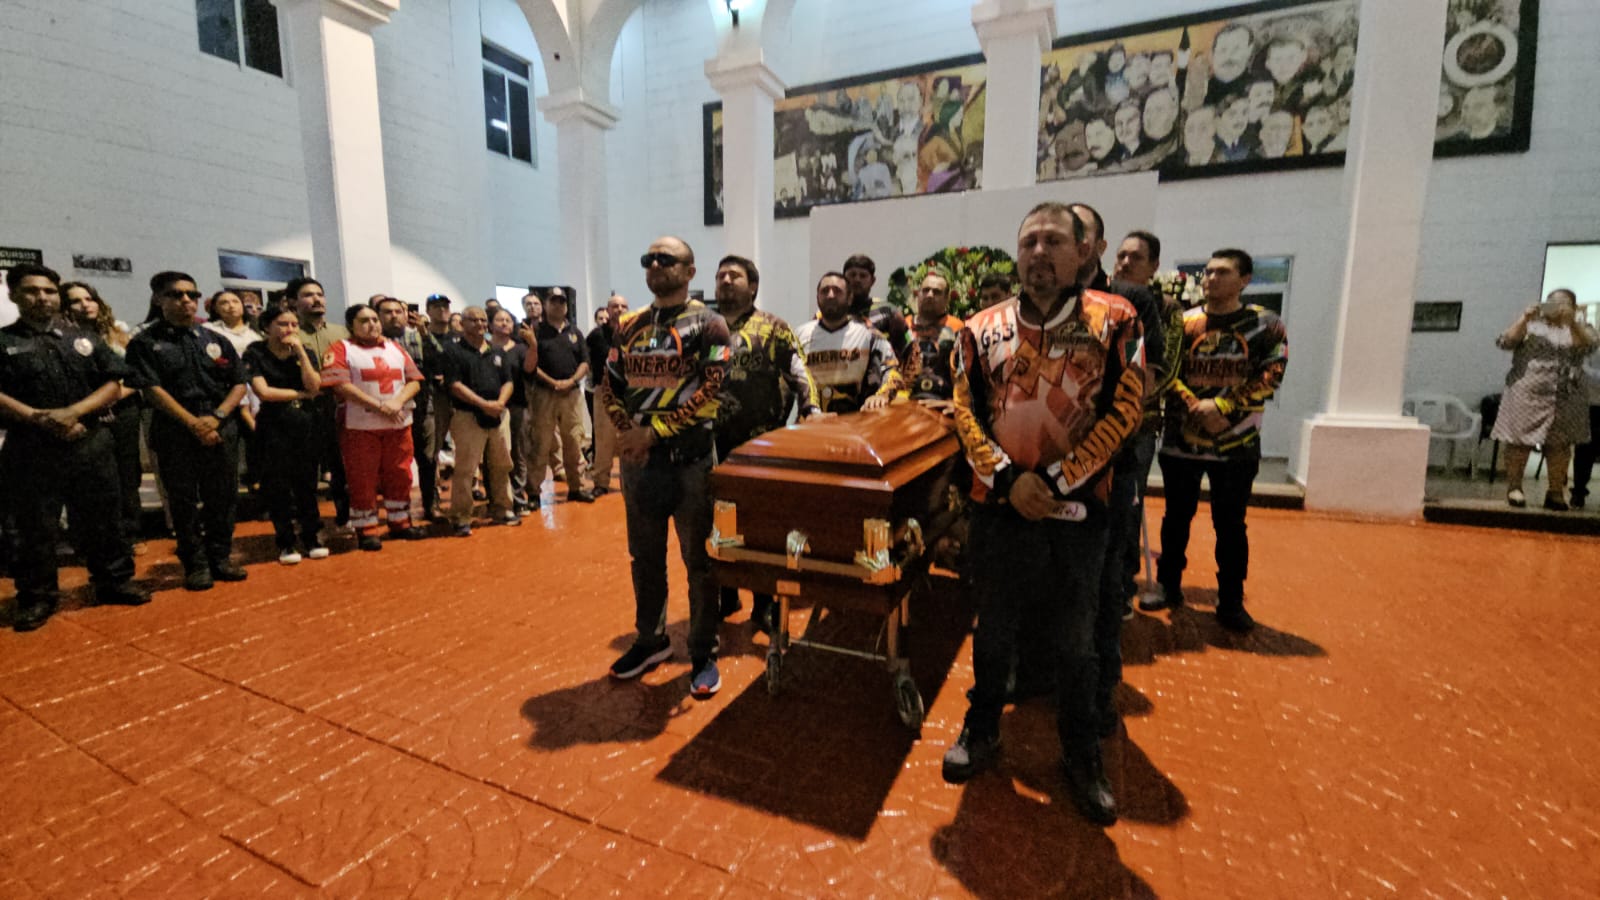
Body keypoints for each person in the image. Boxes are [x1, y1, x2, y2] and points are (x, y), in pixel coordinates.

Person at [941, 202, 1145, 832]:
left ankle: (1081, 753)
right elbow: (965, 409)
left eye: (1053, 241)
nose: (1038, 253)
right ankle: (982, 728)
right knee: (993, 629)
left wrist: (1055, 480)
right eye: (1028, 241)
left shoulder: (1116, 320)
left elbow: (1127, 409)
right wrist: (1007, 478)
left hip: (1080, 509)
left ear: (1083, 251)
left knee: (1076, 642)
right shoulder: (979, 328)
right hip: (1000, 506)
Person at [602, 236, 731, 698]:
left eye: (666, 259)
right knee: (645, 557)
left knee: (700, 561)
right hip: (640, 464)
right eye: (649, 259)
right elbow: (610, 384)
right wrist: (627, 433)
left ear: (690, 270)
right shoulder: (629, 325)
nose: (655, 264)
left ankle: (702, 651)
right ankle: (651, 640)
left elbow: (712, 388)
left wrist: (653, 433)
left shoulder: (710, 324)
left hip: (691, 462)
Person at [0, 264, 149, 631]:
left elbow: (114, 382)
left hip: (89, 441)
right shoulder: (4, 342)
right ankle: (37, 597)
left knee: (104, 519)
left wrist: (74, 413)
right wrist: (38, 418)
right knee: (34, 527)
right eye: (32, 290)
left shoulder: (82, 338)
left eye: (49, 291)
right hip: (30, 448)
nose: (42, 297)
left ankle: (113, 581)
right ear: (14, 295)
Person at [1148, 249, 1288, 633]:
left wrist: (1223, 406)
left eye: (1222, 272)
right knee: (1175, 519)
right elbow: (1165, 369)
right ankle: (1168, 587)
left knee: (1231, 525)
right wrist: (1195, 405)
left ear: (1245, 280)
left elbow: (1272, 372)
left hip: (1237, 443)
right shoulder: (1185, 322)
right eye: (1208, 273)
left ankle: (1230, 601)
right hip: (1182, 439)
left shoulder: (1266, 324)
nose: (1210, 279)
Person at [711, 254, 820, 627]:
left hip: (759, 446)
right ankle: (726, 595)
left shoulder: (773, 327)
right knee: (717, 523)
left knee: (760, 527)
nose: (726, 281)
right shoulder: (706, 328)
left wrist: (811, 409)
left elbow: (799, 370)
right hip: (710, 446)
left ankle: (764, 603)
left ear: (753, 286)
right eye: (721, 276)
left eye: (734, 275)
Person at [126, 270, 250, 591]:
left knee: (222, 497)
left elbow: (239, 382)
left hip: (221, 426)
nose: (186, 300)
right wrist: (194, 423)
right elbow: (151, 389)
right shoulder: (145, 343)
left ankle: (220, 557)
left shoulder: (214, 340)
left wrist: (217, 416)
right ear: (158, 299)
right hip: (176, 430)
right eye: (176, 294)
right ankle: (195, 564)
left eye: (191, 295)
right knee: (182, 501)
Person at [322, 303, 426, 549]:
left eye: (374, 319)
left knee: (400, 474)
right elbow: (340, 385)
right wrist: (379, 406)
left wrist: (397, 402)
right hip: (359, 427)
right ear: (351, 325)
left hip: (398, 424)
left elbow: (414, 380)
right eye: (364, 320)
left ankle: (401, 522)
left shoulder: (395, 348)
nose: (372, 324)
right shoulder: (341, 348)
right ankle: (367, 529)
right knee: (362, 478)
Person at [1489, 289, 1597, 510]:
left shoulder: (1582, 328)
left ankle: (1555, 493)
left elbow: (1589, 347)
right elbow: (1504, 342)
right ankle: (1515, 488)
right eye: (1552, 303)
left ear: (1574, 308)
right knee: (1519, 442)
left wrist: (1572, 323)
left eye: (1564, 304)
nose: (1558, 308)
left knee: (1561, 444)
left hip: (1567, 395)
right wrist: (1525, 317)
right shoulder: (1532, 326)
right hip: (1528, 393)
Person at [61, 281, 145, 552]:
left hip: (123, 408)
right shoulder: (59, 337)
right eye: (76, 300)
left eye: (89, 298)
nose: (85, 304)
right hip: (83, 412)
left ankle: (129, 534)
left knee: (126, 472)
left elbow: (137, 375)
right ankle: (86, 539)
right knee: (86, 475)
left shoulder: (117, 333)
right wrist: (91, 405)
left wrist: (112, 397)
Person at [243, 305, 327, 564]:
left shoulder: (305, 352)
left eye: (294, 324)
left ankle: (312, 537)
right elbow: (264, 392)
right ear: (266, 327)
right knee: (277, 486)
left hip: (305, 423)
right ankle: (286, 542)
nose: (290, 329)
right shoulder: (255, 352)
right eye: (282, 324)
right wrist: (301, 394)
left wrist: (300, 351)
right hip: (273, 425)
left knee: (307, 484)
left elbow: (315, 385)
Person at [442, 306, 519, 536]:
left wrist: (499, 403)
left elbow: (508, 381)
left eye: (483, 320)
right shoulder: (453, 351)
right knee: (466, 468)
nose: (479, 324)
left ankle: (503, 508)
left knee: (502, 464)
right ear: (462, 323)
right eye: (473, 320)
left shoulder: (497, 351)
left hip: (499, 415)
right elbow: (454, 385)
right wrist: (483, 404)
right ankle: (461, 516)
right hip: (468, 416)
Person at [289, 277, 350, 527]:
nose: (316, 299)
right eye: (308, 295)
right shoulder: (290, 333)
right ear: (293, 302)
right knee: (305, 469)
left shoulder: (342, 333)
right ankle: (309, 522)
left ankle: (345, 515)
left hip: (337, 406)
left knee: (341, 464)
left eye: (319, 294)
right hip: (302, 407)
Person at [378, 297, 447, 521]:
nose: (394, 316)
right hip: (387, 409)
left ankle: (431, 504)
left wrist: (425, 334)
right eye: (388, 312)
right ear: (378, 316)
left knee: (428, 459)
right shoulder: (373, 343)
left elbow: (440, 360)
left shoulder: (418, 336)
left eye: (398, 311)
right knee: (396, 464)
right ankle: (399, 510)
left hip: (423, 406)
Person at [796, 273, 903, 413]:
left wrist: (882, 395)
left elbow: (892, 370)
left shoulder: (869, 336)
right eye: (825, 291)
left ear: (849, 298)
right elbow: (784, 381)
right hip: (810, 422)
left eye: (837, 291)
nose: (830, 295)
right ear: (817, 298)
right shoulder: (799, 336)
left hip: (855, 421)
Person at [526, 288, 595, 504]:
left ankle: (576, 487)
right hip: (544, 394)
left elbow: (585, 362)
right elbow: (530, 364)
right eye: (553, 301)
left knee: (574, 441)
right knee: (541, 443)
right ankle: (534, 492)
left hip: (572, 395)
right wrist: (553, 382)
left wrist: (571, 381)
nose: (558, 305)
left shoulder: (575, 332)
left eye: (561, 302)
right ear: (546, 305)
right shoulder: (536, 332)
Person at [486, 308, 533, 509]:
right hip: (489, 407)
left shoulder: (520, 349)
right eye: (499, 320)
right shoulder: (484, 348)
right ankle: (496, 498)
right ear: (490, 325)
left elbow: (529, 369)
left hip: (516, 406)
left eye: (508, 320)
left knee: (518, 453)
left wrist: (533, 345)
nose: (504, 323)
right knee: (492, 454)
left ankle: (518, 497)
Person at [586, 293, 628, 495]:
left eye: (623, 306)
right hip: (604, 391)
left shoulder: (634, 331)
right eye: (615, 306)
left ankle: (629, 484)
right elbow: (585, 360)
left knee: (628, 437)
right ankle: (601, 483)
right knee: (603, 439)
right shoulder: (596, 335)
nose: (619, 309)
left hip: (629, 392)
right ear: (608, 310)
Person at [841, 254, 914, 366]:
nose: (857, 279)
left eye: (863, 276)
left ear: (873, 281)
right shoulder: (830, 312)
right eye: (852, 275)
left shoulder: (888, 311)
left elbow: (910, 350)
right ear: (843, 279)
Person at [908, 269, 963, 402]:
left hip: (942, 401)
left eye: (937, 292)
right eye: (925, 290)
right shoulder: (904, 326)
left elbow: (966, 374)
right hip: (904, 400)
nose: (930, 295)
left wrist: (957, 405)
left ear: (946, 299)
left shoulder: (957, 327)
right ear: (918, 294)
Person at [1573, 337, 1600, 510]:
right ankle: (1578, 491)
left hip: (1592, 402)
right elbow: (1581, 373)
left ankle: (1579, 491)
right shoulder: (1591, 349)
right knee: (1584, 450)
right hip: (1591, 406)